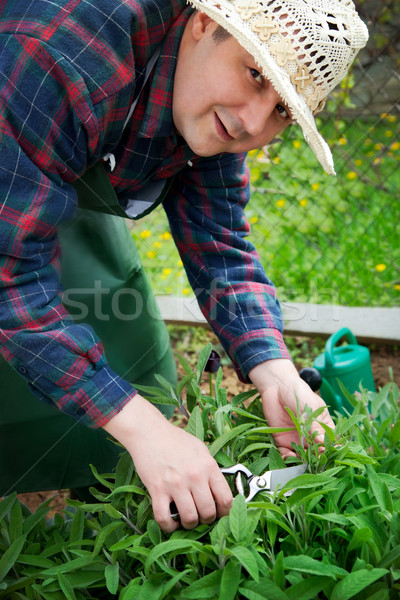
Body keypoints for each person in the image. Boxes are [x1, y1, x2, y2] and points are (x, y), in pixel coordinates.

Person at [0, 0, 368, 532]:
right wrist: (145, 430)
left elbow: (220, 243)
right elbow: (10, 279)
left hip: (47, 167)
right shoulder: (62, 57)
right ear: (203, 24)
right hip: (19, 124)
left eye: (283, 111)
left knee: (135, 363)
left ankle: (108, 513)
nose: (251, 122)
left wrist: (277, 373)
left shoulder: (215, 102)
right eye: (256, 73)